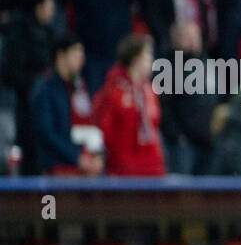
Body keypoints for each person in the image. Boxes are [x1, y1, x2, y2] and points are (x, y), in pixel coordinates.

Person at [28, 34, 103, 176]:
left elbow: (87, 124)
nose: (81, 60)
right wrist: (76, 157)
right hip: (55, 170)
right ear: (61, 55)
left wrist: (96, 154)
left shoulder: (76, 87)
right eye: (76, 53)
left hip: (77, 168)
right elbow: (46, 133)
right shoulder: (45, 88)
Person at [91, 34, 165, 176]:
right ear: (136, 59)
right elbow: (105, 131)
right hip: (124, 171)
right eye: (148, 56)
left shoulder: (150, 92)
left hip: (152, 169)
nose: (152, 61)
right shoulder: (114, 91)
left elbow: (154, 130)